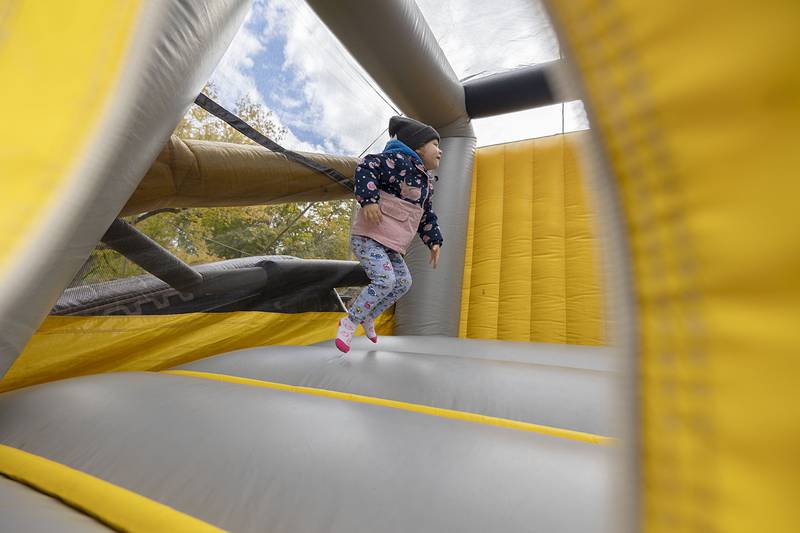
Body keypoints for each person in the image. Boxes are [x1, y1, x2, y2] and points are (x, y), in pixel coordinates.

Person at [335, 115, 444, 353]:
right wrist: (369, 200)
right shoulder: (398, 161)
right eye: (435, 144)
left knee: (403, 282)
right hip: (369, 237)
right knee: (386, 280)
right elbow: (366, 166)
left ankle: (368, 316)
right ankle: (350, 321)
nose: (441, 150)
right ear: (417, 146)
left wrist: (434, 241)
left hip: (390, 244)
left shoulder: (426, 182)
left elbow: (426, 215)